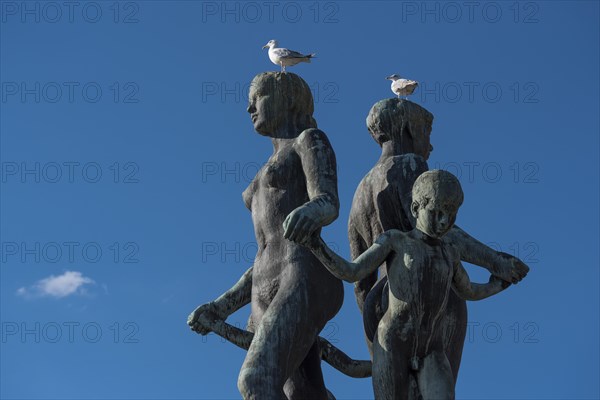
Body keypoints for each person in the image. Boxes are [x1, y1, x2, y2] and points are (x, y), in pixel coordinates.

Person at [348, 99, 529, 386]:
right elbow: (444, 232)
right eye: (426, 133)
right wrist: (497, 262)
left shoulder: (360, 190)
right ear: (408, 128)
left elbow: (360, 284)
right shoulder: (411, 166)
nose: (430, 145)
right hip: (433, 298)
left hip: (387, 307)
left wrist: (374, 330)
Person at [188, 71, 343, 400]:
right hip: (265, 283)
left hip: (303, 273)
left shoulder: (308, 140)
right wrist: (221, 305)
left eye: (257, 97)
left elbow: (328, 202)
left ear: (287, 99)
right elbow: (264, 252)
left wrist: (312, 210)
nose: (250, 109)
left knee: (257, 379)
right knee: (303, 393)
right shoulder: (263, 169)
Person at [302, 170, 517, 400]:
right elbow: (352, 272)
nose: (444, 221)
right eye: (436, 212)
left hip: (432, 350)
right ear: (416, 209)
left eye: (451, 215)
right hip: (393, 345)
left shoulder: (450, 253)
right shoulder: (396, 241)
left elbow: (469, 291)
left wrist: (498, 285)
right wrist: (315, 244)